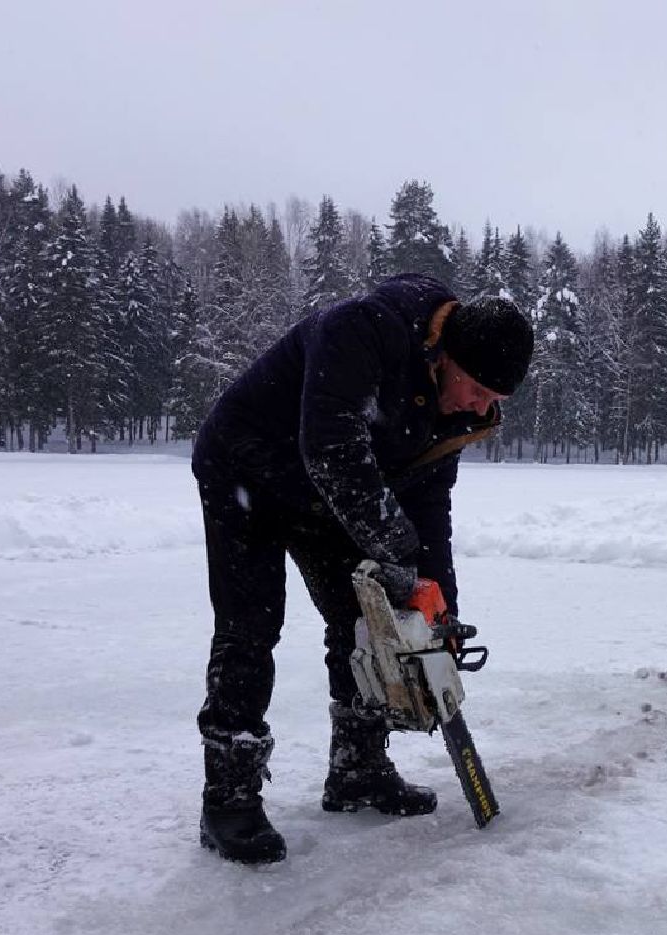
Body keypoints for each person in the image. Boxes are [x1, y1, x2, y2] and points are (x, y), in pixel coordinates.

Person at [189, 273, 533, 864]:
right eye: (476, 389)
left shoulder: (454, 414)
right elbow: (330, 445)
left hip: (327, 494)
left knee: (363, 621)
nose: (480, 407)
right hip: (247, 467)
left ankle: (357, 770)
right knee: (251, 625)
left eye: (494, 402)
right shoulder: (364, 329)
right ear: (445, 355)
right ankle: (229, 799)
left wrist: (437, 606)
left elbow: (428, 508)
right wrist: (395, 556)